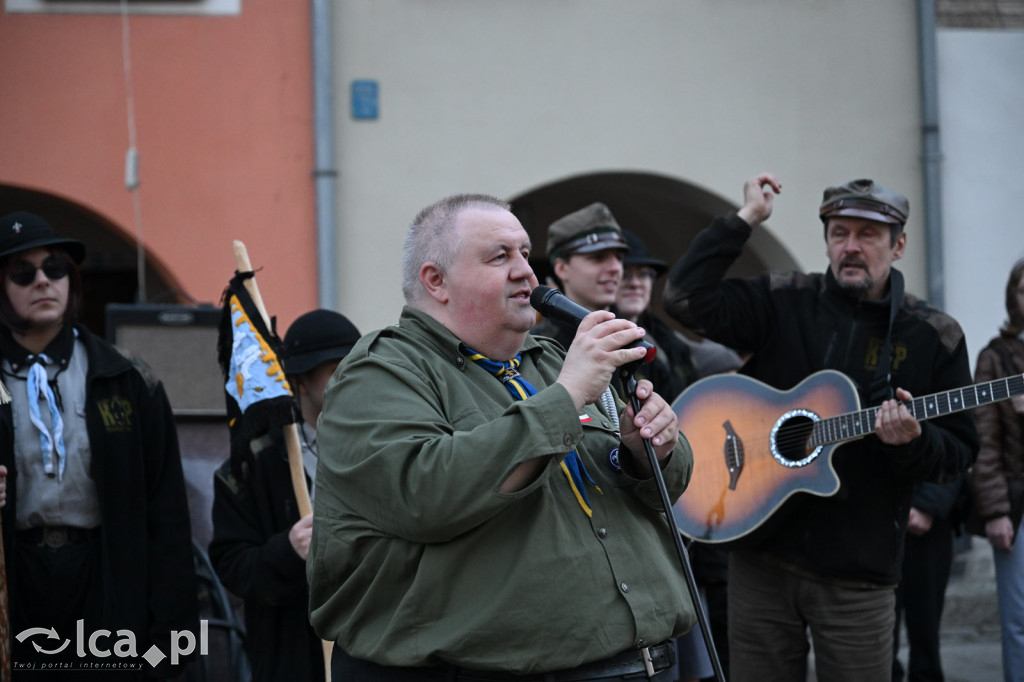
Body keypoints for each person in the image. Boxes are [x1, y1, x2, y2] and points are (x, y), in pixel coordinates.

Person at [307, 193, 698, 681]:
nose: (527, 273)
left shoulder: (553, 360)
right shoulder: (379, 372)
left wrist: (647, 453)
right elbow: (426, 494)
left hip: (639, 665)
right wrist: (569, 393)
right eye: (499, 257)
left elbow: (663, 486)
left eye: (525, 252)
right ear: (436, 281)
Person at [661, 174, 978, 682]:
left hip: (859, 573)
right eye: (839, 232)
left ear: (897, 245)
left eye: (867, 235)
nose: (850, 246)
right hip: (758, 554)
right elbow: (682, 299)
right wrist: (745, 219)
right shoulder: (784, 298)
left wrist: (913, 444)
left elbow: (959, 451)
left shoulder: (931, 334)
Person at [0, 211, 199, 678]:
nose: (43, 282)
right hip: (16, 575)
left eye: (56, 268)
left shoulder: (127, 377)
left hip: (104, 573)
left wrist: (172, 642)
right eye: (22, 273)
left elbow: (166, 511)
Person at [209, 308, 361, 682]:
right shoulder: (250, 466)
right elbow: (232, 566)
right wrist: (288, 551)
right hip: (291, 654)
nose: (350, 380)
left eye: (355, 367)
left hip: (372, 648)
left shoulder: (387, 445)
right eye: (334, 369)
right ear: (301, 382)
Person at [614, 229, 717, 682]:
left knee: (696, 639)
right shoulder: (577, 345)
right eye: (627, 272)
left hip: (683, 498)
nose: (637, 281)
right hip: (631, 514)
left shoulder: (669, 344)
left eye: (645, 274)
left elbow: (715, 364)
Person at [970, 257, 1024, 682]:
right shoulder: (995, 357)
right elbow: (983, 440)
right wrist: (995, 511)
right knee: (1018, 620)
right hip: (1015, 500)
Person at [891, 478, 966, 682]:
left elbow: (957, 448)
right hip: (878, 516)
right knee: (879, 628)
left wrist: (928, 504)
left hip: (930, 519)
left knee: (926, 621)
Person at [531, 201, 629, 349]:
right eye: (598, 257)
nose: (615, 268)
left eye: (619, 258)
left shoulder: (638, 339)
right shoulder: (539, 347)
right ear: (562, 268)